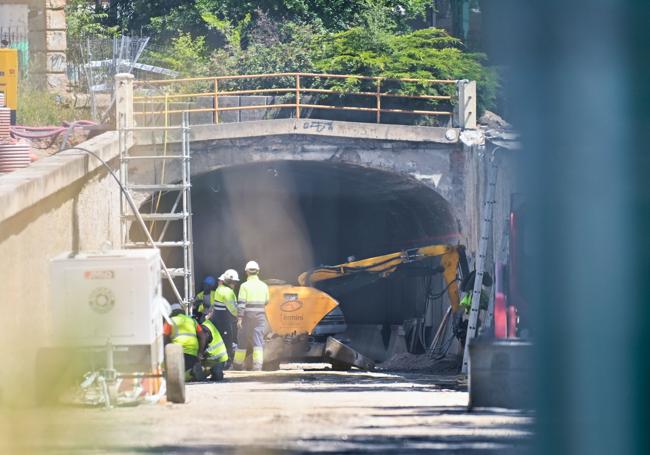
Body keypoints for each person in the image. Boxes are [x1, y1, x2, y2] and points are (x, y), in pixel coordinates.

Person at [232, 260, 270, 371]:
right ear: (258, 271)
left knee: (242, 340)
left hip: (247, 317)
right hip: (260, 316)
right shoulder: (264, 286)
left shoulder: (244, 286)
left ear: (246, 272)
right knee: (258, 340)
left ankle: (238, 365)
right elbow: (267, 301)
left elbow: (241, 304)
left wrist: (239, 318)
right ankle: (257, 366)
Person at [163, 303, 208, 381]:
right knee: (186, 371)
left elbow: (163, 338)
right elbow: (203, 336)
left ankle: (191, 374)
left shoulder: (170, 321)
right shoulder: (192, 321)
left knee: (174, 377)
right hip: (193, 355)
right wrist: (200, 353)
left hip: (177, 354)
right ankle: (193, 371)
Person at [213, 269, 240, 365]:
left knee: (222, 339)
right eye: (234, 282)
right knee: (227, 340)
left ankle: (222, 360)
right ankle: (226, 361)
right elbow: (233, 309)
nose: (235, 284)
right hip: (224, 321)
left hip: (218, 319)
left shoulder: (219, 289)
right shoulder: (227, 292)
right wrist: (240, 315)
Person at [200, 305, 230, 381]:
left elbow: (203, 341)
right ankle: (213, 371)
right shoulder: (210, 325)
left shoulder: (205, 326)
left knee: (199, 374)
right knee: (215, 376)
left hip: (215, 359)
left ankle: (211, 371)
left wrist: (199, 354)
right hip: (220, 358)